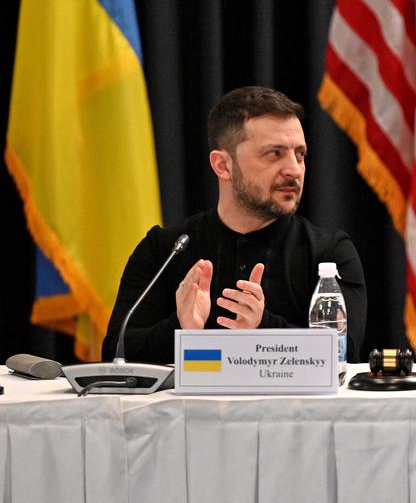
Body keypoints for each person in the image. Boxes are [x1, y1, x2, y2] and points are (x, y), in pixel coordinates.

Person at [102, 86, 366, 363]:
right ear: (223, 166)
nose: (293, 169)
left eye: (300, 155)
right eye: (274, 154)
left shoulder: (329, 254)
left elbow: (344, 352)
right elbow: (114, 353)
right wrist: (180, 329)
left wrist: (263, 326)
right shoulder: (166, 250)